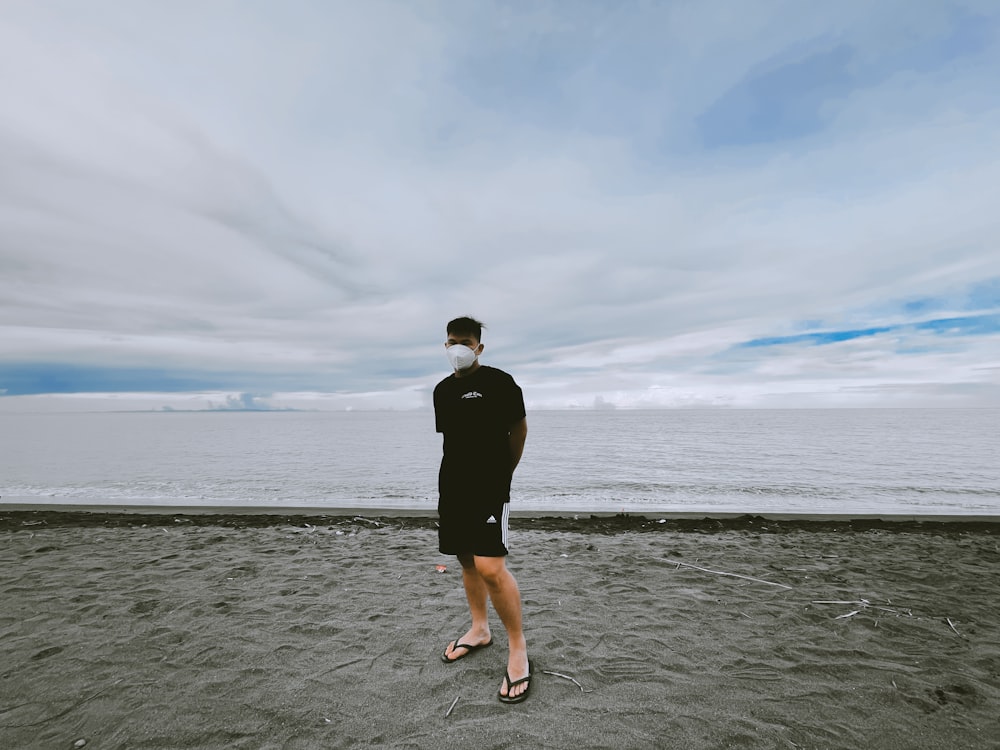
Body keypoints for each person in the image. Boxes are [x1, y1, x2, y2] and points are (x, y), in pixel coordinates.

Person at [434, 316, 532, 704]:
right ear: (446, 346)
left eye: (464, 341)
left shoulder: (499, 383)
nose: (457, 348)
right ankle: (479, 629)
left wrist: (504, 474)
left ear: (478, 347)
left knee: (492, 566)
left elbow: (519, 431)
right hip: (452, 485)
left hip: (490, 487)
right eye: (451, 341)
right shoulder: (442, 390)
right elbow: (454, 440)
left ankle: (518, 647)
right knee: (466, 560)